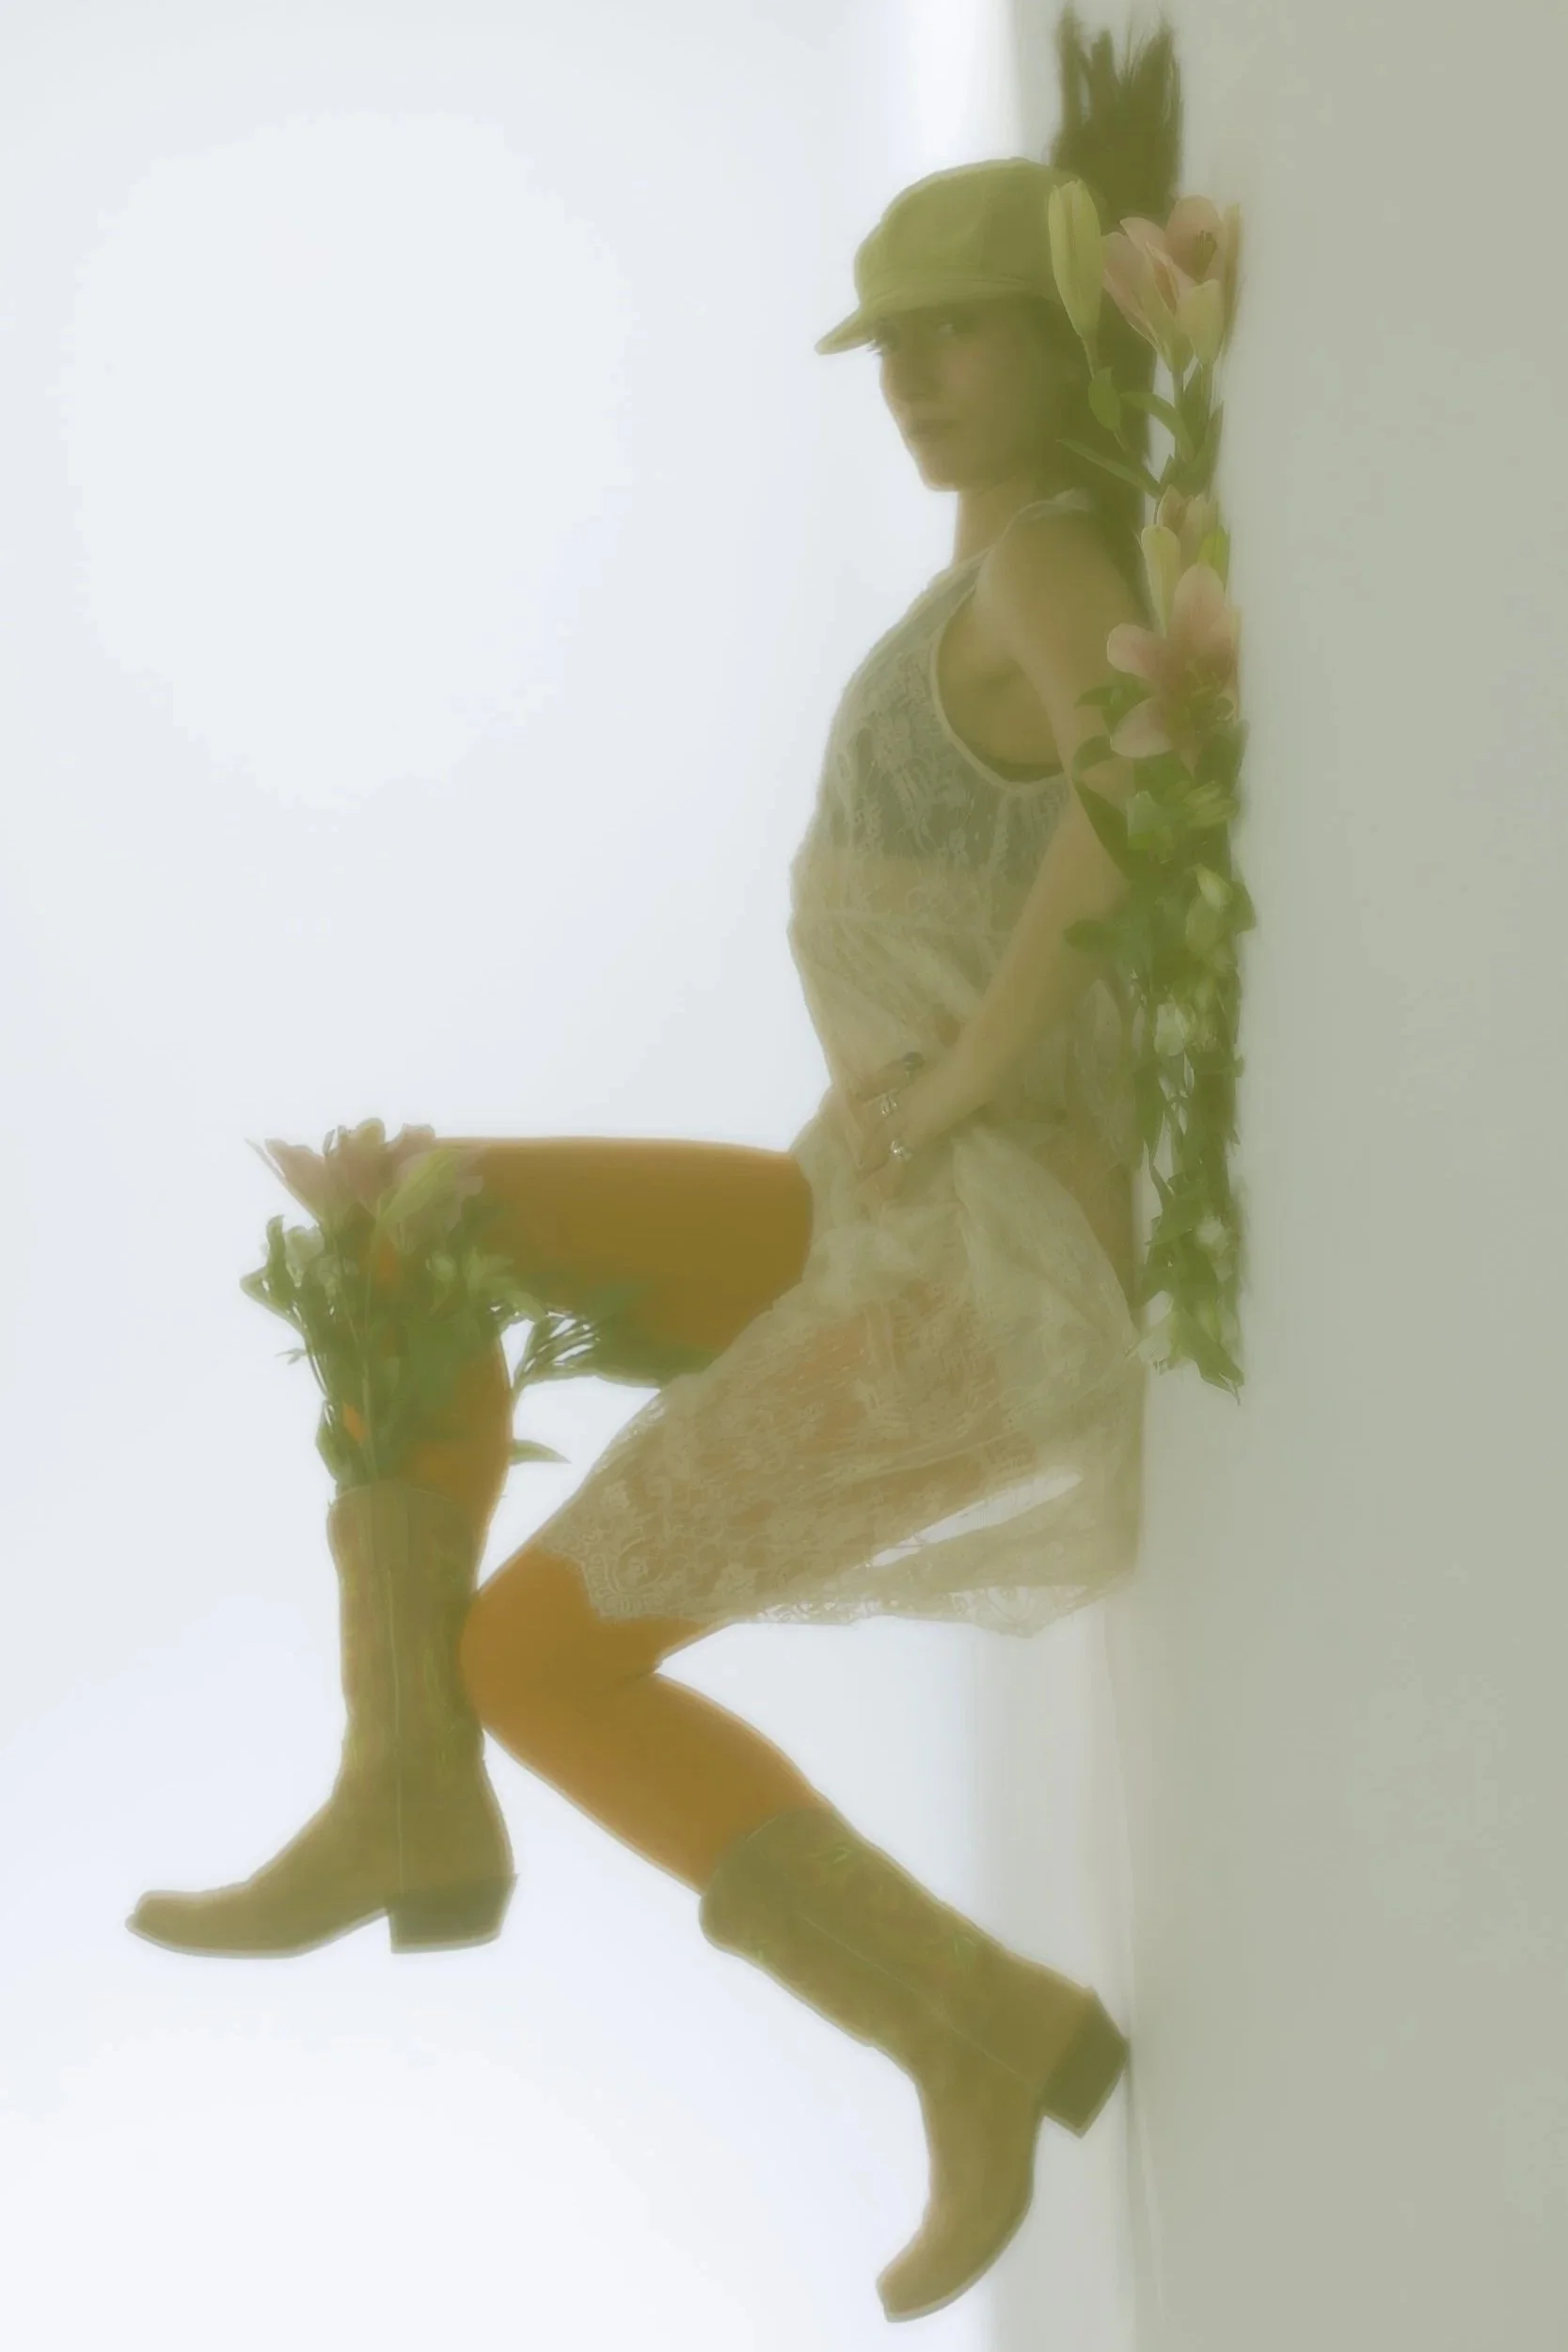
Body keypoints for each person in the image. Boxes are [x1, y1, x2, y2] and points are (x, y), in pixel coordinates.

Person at [130, 18, 1184, 2322]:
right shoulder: (964, 581)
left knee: (536, 1656)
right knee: (412, 1216)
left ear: (1052, 342)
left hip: (976, 1259)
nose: (912, 379)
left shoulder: (1040, 559)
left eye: (958, 333)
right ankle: (400, 1780)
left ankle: (962, 2027)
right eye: (884, 345)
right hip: (876, 1206)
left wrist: (968, 1070)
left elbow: (1133, 776)